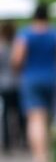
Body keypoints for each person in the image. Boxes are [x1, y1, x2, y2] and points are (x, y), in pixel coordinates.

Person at [11, 3, 56, 162]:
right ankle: (50, 156)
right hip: (52, 78)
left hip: (31, 79)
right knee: (50, 120)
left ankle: (39, 159)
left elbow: (17, 59)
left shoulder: (25, 34)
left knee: (36, 119)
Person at [0, 21, 25, 153]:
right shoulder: (18, 46)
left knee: (6, 114)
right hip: (18, 83)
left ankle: (8, 143)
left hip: (4, 84)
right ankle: (23, 141)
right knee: (21, 113)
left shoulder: (2, 47)